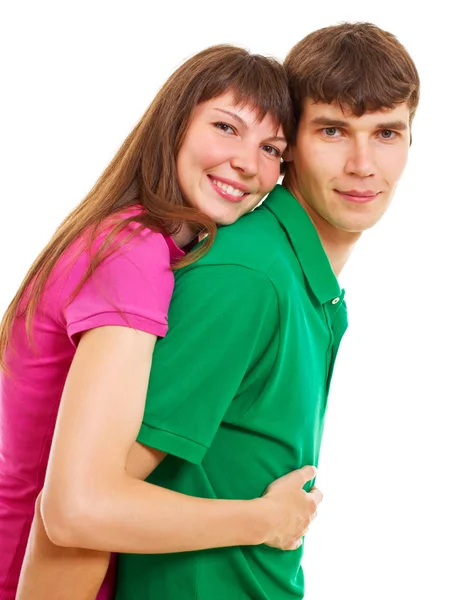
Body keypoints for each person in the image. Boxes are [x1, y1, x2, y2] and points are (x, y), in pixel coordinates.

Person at [20, 20, 420, 599]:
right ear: (293, 149)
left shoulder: (300, 281)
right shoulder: (247, 280)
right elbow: (79, 517)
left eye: (387, 133)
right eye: (333, 131)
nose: (363, 164)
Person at [0, 45, 322, 600]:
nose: (248, 162)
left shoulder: (122, 236)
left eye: (271, 148)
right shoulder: (133, 257)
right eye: (226, 127)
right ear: (174, 123)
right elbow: (79, 509)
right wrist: (264, 519)